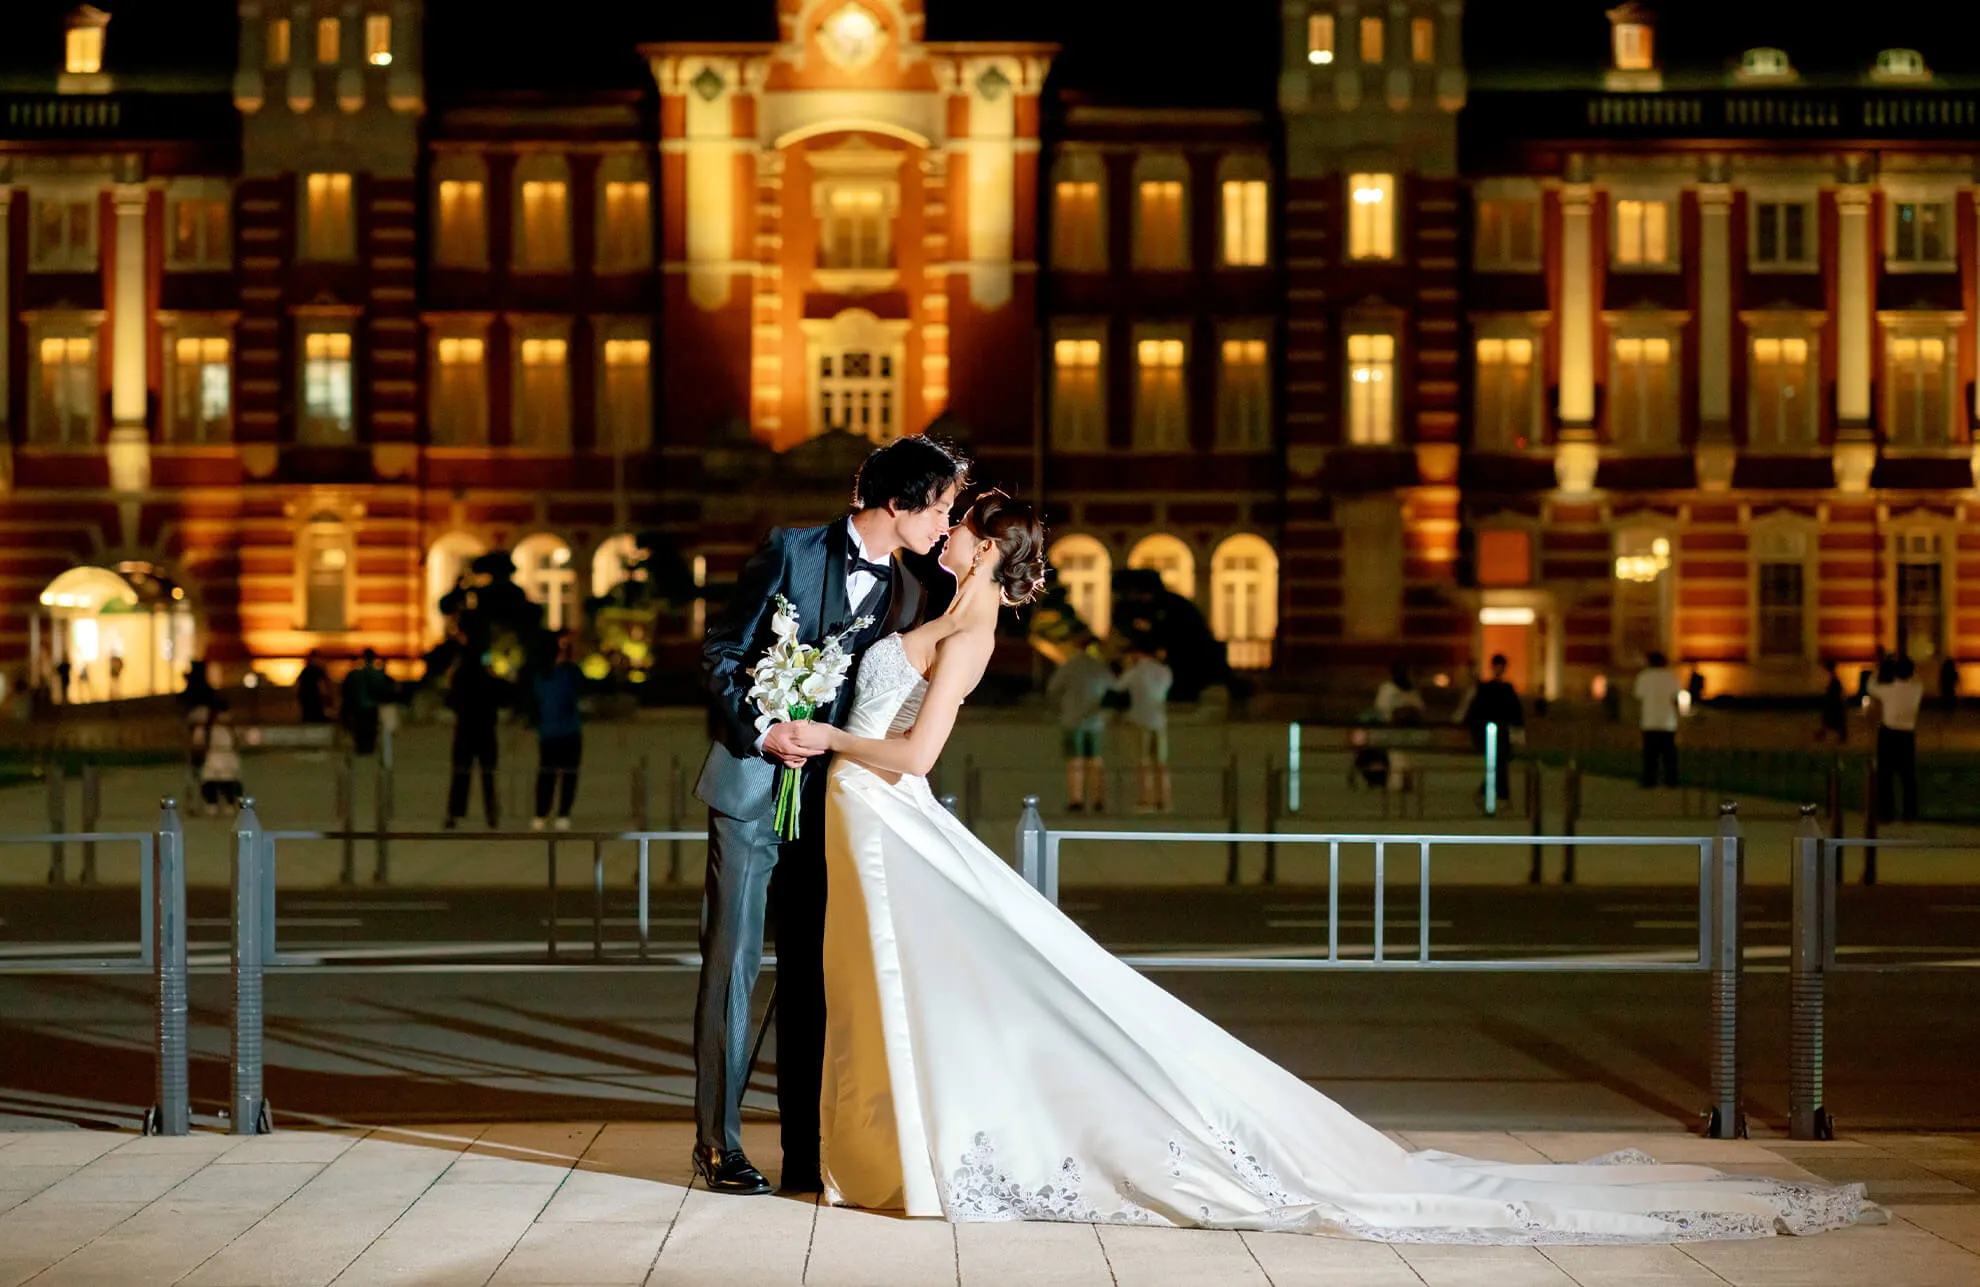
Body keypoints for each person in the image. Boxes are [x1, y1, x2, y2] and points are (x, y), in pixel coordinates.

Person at [783, 493, 1878, 1243]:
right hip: (873, 819)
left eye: (958, 523)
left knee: (971, 988)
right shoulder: (928, 610)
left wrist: (825, 737)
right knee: (926, 994)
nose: (944, 531)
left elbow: (918, 753)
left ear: (980, 546)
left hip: (893, 811)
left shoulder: (963, 638)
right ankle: (907, 1156)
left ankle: (937, 1160)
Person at [689, 433, 966, 1197]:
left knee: (812, 975)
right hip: (750, 785)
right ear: (899, 501)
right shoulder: (790, 551)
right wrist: (763, 728)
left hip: (831, 804)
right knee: (734, 965)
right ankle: (718, 1145)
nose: (944, 523)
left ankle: (806, 1151)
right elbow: (720, 651)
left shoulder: (913, 593)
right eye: (939, 506)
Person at [1046, 639, 1112, 812]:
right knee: (1095, 761)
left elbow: (1053, 688)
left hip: (1073, 719)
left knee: (1075, 761)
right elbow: (1113, 688)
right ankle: (1098, 799)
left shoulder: (1070, 666)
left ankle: (1076, 799)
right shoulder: (1100, 667)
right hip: (1095, 721)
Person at [531, 632, 584, 831]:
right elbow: (577, 690)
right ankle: (561, 813)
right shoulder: (566, 673)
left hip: (548, 732)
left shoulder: (541, 674)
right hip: (567, 731)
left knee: (547, 774)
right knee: (567, 774)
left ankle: (541, 813)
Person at [444, 651, 502, 829]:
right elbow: (504, 696)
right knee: (488, 776)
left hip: (465, 731)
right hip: (485, 732)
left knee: (461, 774)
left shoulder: (459, 678)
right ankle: (491, 814)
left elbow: (449, 701)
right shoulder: (488, 678)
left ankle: (454, 814)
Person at [1116, 645, 1174, 813]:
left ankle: (1146, 799)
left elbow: (1118, 687)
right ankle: (1165, 799)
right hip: (1159, 720)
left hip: (1141, 720)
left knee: (1143, 761)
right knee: (1161, 762)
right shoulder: (1164, 671)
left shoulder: (1135, 672)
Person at [1868, 653, 1924, 823]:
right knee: (1908, 776)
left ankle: (1886, 814)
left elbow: (1871, 686)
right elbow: (1916, 678)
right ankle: (1909, 814)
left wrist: (1879, 668)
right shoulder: (1916, 690)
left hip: (1889, 734)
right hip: (1908, 734)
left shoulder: (1888, 690)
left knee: (1885, 776)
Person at [1464, 654, 1524, 805]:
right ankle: (1497, 795)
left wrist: (1517, 734)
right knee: (1498, 764)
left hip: (1502, 732)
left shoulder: (1506, 688)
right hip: (1491, 732)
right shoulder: (1487, 688)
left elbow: (1516, 714)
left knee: (1500, 764)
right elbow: (1477, 710)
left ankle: (1492, 793)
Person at [1633, 650, 1682, 788]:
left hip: (1650, 720)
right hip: (1667, 721)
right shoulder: (1672, 677)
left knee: (1650, 754)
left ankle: (1649, 780)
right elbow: (1676, 697)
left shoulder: (1643, 677)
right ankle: (1671, 780)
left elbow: (1639, 696)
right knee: (1669, 754)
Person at [340, 649, 392, 755]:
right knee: (368, 729)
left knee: (363, 729)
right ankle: (367, 748)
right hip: (370, 706)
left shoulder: (358, 674)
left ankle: (363, 748)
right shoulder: (375, 674)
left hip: (362, 706)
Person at [195, 707, 245, 816]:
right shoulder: (206, 730)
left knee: (228, 782)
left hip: (228, 757)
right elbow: (198, 744)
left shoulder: (232, 729)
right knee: (209, 781)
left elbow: (238, 742)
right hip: (213, 756)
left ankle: (230, 804)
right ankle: (212, 804)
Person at [296, 649, 333, 724]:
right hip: (313, 698)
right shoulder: (316, 671)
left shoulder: (305, 671)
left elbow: (299, 684)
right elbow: (322, 685)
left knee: (309, 716)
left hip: (307, 698)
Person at [1818, 660, 1848, 745]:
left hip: (1834, 702)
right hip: (1835, 702)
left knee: (1833, 718)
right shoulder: (1834, 677)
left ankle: (1838, 735)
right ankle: (1838, 735)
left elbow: (1836, 691)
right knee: (1835, 718)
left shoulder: (1834, 678)